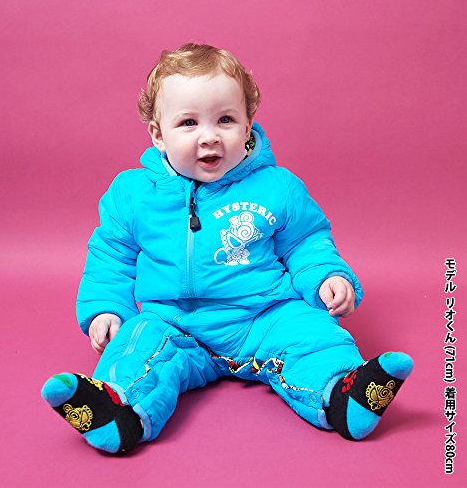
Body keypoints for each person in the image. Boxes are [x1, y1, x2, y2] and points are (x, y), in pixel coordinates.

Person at [41, 43, 413, 454]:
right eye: (188, 123)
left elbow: (306, 242)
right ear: (158, 134)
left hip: (263, 316)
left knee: (312, 333)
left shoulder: (277, 187)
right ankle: (119, 409)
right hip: (176, 323)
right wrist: (106, 310)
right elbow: (111, 257)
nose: (210, 137)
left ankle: (342, 394)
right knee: (137, 344)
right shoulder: (132, 194)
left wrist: (327, 276)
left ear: (248, 125)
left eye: (225, 120)